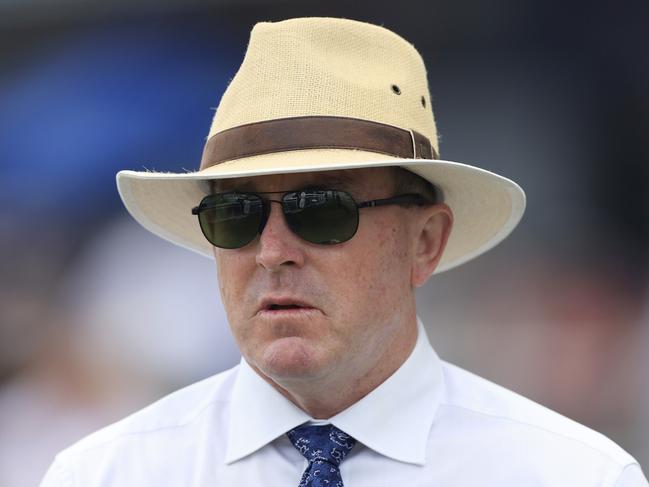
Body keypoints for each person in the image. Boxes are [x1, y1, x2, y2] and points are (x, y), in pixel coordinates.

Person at [41, 17, 648, 486]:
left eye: (322, 210)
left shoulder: (570, 474)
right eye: (236, 216)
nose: (272, 250)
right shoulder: (105, 474)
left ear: (426, 242)